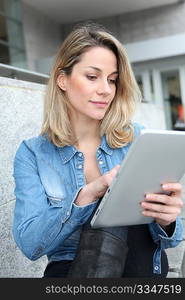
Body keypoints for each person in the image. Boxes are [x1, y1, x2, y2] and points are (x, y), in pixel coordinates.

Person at [12, 23, 184, 278]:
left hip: (139, 269)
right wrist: (88, 195)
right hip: (72, 272)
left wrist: (167, 219)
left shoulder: (137, 138)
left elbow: (173, 239)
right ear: (62, 80)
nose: (105, 89)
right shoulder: (33, 153)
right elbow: (30, 244)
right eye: (92, 77)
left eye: (112, 80)